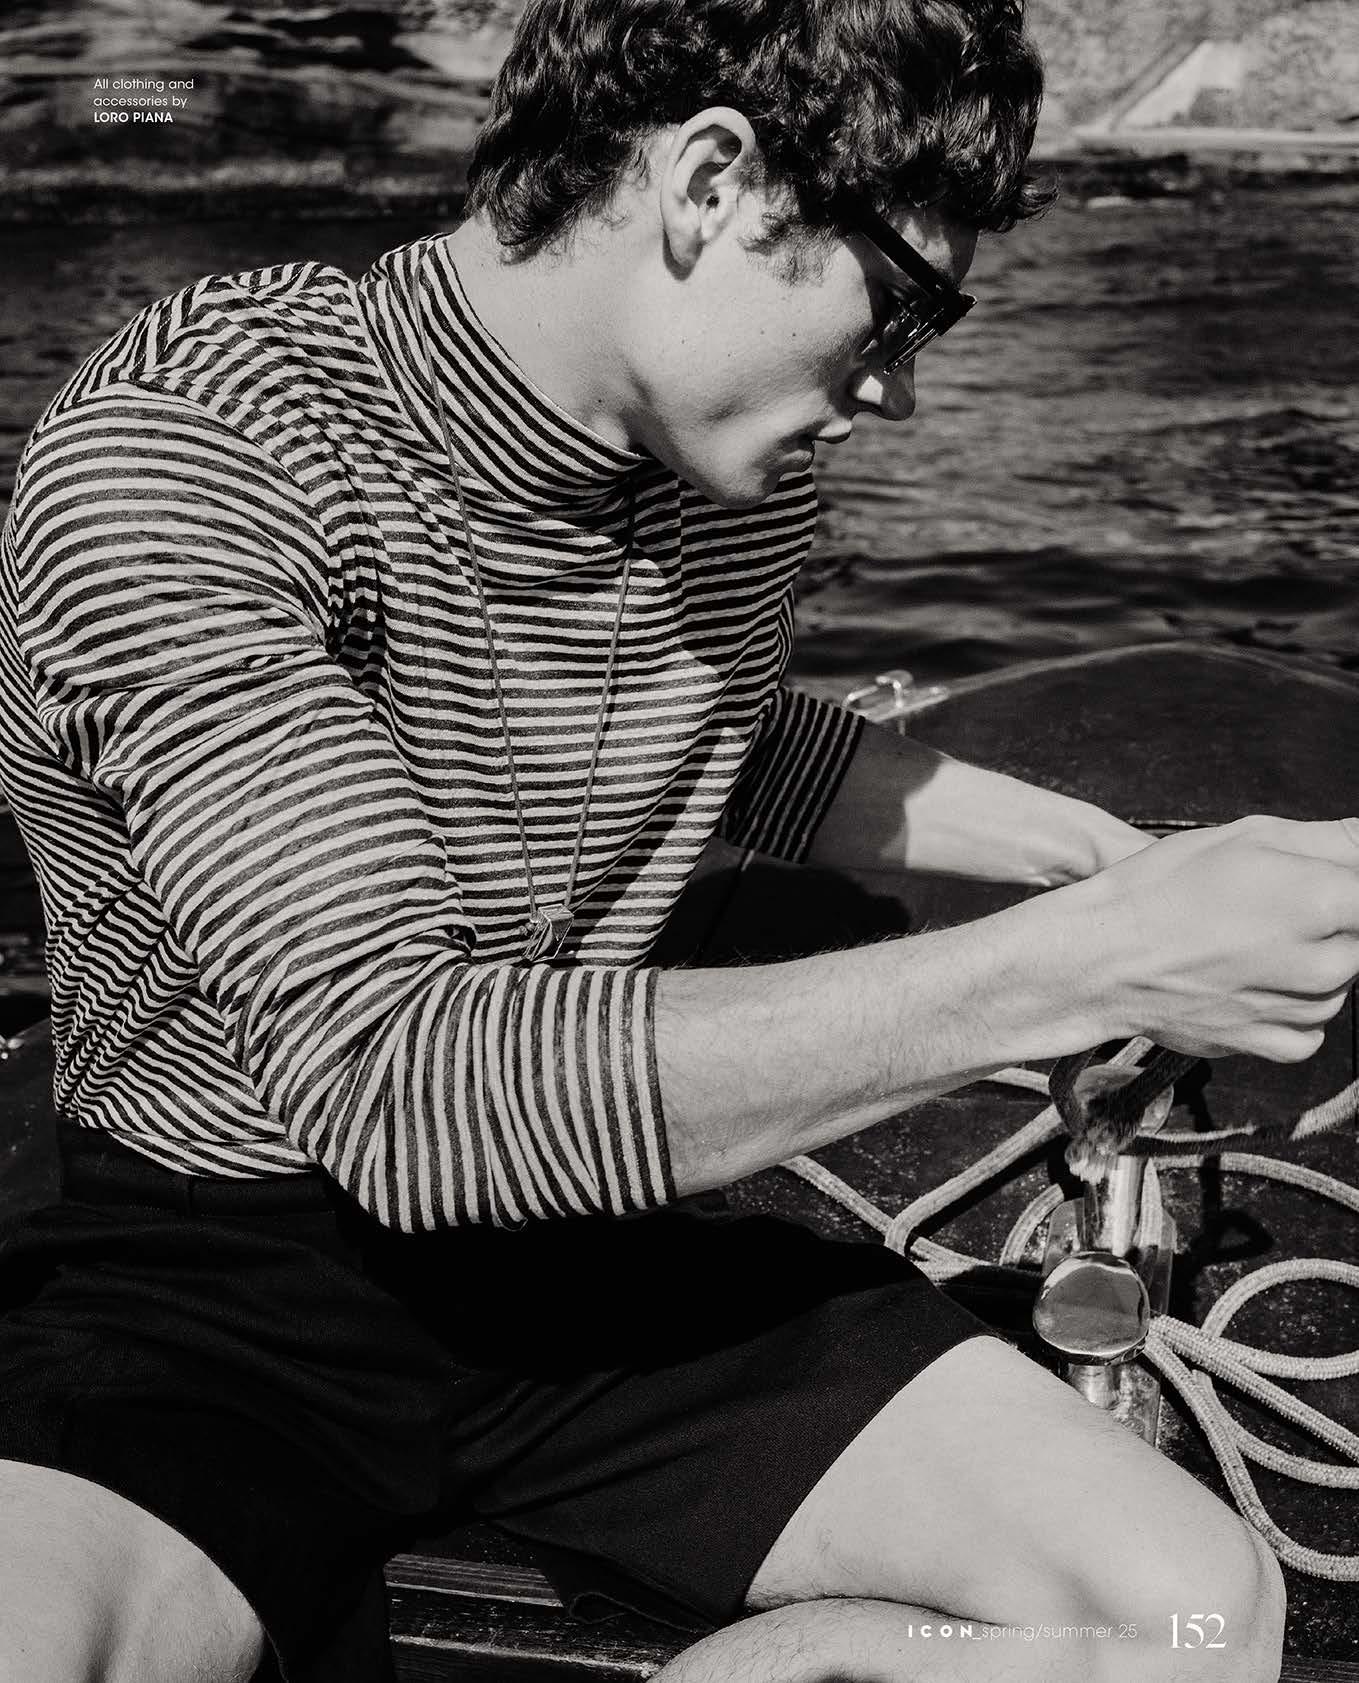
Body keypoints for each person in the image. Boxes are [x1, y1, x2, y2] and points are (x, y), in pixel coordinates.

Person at [0, 1, 1353, 1679]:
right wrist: (1092, 963)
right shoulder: (186, 452)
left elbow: (730, 736)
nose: (901, 390)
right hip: (226, 1278)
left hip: (588, 1248)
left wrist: (1105, 863)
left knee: (1193, 1617)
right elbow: (402, 1094)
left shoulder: (731, 469)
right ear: (710, 181)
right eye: (901, 306)